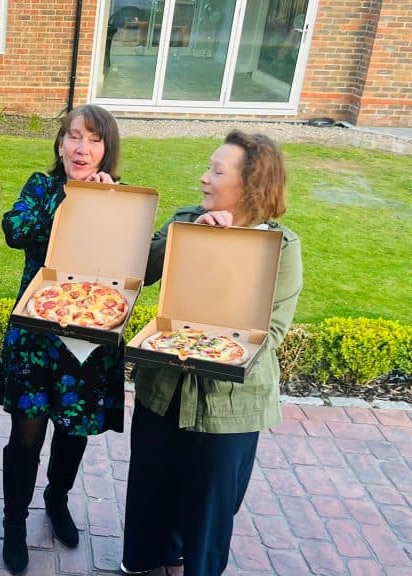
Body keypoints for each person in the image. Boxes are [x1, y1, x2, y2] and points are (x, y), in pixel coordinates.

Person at [120, 130, 303, 576]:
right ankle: (147, 561)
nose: (204, 177)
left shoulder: (281, 247)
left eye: (217, 171)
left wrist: (214, 354)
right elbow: (137, 269)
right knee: (151, 491)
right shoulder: (188, 219)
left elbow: (271, 331)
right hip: (163, 390)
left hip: (229, 406)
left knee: (208, 513)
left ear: (251, 184)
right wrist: (188, 241)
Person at [0, 104, 126, 574]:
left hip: (89, 336)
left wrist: (105, 207)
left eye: (92, 140)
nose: (81, 148)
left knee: (74, 432)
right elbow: (15, 230)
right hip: (37, 332)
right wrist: (71, 204)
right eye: (73, 137)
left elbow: (129, 266)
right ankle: (13, 522)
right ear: (60, 144)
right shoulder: (41, 187)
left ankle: (57, 497)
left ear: (106, 150)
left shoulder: (121, 200)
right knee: (25, 435)